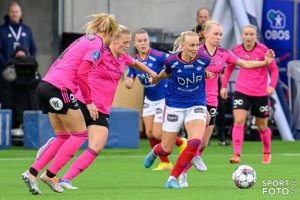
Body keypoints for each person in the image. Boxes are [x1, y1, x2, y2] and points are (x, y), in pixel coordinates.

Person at [21, 13, 119, 195]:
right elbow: (82, 73)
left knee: (63, 135)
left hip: (45, 86)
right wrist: (89, 102)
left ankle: (32, 172)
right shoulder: (97, 43)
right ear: (111, 33)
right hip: (60, 89)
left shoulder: (84, 39)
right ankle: (50, 175)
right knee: (80, 134)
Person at [50, 25, 158, 190]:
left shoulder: (123, 58)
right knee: (71, 138)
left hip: (102, 109)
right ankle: (48, 161)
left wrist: (153, 74)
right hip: (84, 101)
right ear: (113, 40)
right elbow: (81, 69)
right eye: (125, 42)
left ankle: (65, 179)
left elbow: (136, 63)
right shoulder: (101, 53)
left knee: (97, 146)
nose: (127, 45)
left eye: (129, 42)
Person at [179, 21, 276, 187]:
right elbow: (182, 67)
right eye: (216, 34)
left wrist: (265, 63)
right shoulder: (196, 52)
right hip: (194, 98)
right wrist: (201, 72)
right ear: (206, 34)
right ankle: (182, 172)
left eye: (220, 34)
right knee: (197, 137)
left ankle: (185, 169)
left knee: (203, 143)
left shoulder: (223, 53)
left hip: (211, 100)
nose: (218, 37)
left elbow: (245, 63)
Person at [143, 31, 213, 188]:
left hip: (196, 104)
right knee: (166, 149)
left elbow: (204, 72)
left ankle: (172, 179)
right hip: (174, 106)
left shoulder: (204, 60)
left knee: (194, 142)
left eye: (197, 45)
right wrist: (156, 78)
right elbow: (166, 73)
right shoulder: (171, 61)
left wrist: (205, 74)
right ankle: (155, 151)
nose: (195, 48)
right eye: (191, 45)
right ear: (183, 45)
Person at [124, 29, 187, 171]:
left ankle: (180, 142)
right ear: (135, 43)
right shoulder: (134, 61)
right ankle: (165, 163)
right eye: (139, 41)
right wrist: (128, 83)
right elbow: (130, 78)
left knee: (158, 133)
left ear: (148, 41)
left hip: (163, 98)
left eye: (145, 40)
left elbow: (172, 62)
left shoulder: (158, 56)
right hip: (149, 99)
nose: (143, 43)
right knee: (149, 133)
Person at [220, 24, 278, 164]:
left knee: (262, 126)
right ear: (242, 35)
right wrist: (223, 86)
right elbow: (229, 69)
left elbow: (274, 70)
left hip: (260, 92)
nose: (248, 37)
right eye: (246, 34)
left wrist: (272, 86)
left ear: (256, 36)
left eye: (251, 34)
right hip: (242, 90)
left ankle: (267, 152)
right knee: (239, 121)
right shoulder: (236, 50)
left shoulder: (263, 50)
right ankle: (236, 155)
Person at [2, 46, 40, 129]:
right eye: (18, 58)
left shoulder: (9, 67)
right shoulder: (9, 68)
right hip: (20, 105)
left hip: (23, 106)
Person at [0, 2, 36, 70]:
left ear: (20, 13)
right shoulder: (2, 30)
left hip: (25, 68)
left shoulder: (27, 30)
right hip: (7, 70)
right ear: (8, 13)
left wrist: (31, 62)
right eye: (12, 12)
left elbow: (33, 49)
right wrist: (5, 63)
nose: (15, 14)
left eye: (16, 12)